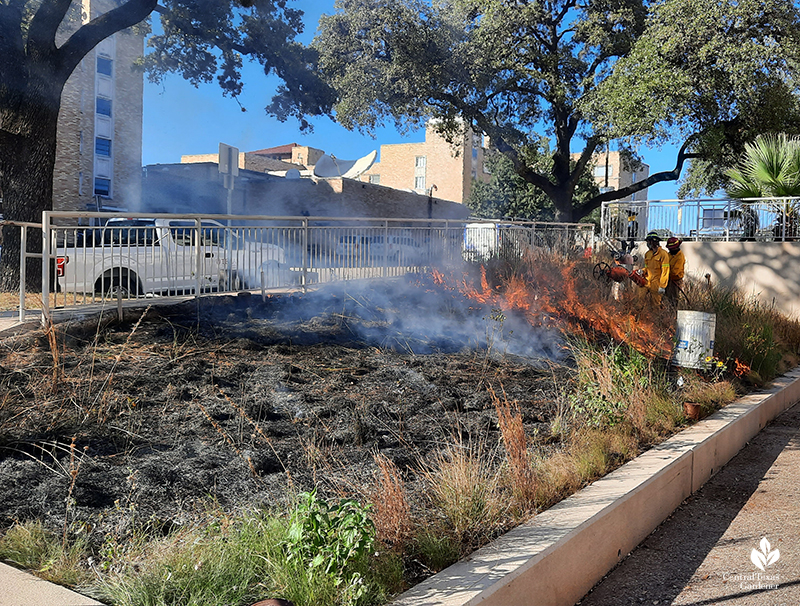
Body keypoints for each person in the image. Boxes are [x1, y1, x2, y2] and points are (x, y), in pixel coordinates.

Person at [643, 231, 669, 307]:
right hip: (647, 281)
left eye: (649, 241)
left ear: (654, 242)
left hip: (657, 282)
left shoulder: (663, 254)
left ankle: (656, 318)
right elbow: (647, 267)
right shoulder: (648, 254)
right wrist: (642, 271)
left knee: (655, 304)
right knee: (639, 299)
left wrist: (662, 286)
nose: (648, 243)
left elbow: (665, 271)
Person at [665, 236, 685, 306]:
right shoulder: (669, 255)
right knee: (666, 298)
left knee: (674, 299)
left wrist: (664, 273)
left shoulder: (680, 257)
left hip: (676, 281)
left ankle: (674, 314)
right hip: (667, 279)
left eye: (672, 249)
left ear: (677, 247)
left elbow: (674, 272)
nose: (670, 250)